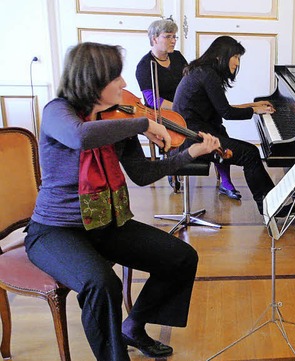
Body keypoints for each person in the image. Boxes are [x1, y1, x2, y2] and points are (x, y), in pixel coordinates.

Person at [24, 42, 220, 360]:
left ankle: (134, 326)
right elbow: (80, 136)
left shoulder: (116, 122)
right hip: (55, 230)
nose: (125, 84)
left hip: (104, 223)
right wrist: (144, 123)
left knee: (180, 257)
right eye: (116, 77)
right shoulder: (57, 112)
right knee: (102, 284)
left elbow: (141, 174)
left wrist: (189, 154)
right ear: (93, 80)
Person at [136, 19, 241, 199]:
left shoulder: (177, 57)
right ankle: (172, 163)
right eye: (168, 36)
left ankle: (225, 180)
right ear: (154, 39)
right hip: (164, 114)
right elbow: (152, 100)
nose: (173, 40)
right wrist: (181, 106)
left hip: (185, 109)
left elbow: (190, 82)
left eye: (174, 36)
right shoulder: (145, 66)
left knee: (216, 126)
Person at [173, 35, 278, 214]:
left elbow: (223, 108)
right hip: (192, 140)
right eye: (235, 57)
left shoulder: (202, 71)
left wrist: (253, 105)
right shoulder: (207, 75)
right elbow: (227, 113)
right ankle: (269, 207)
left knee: (248, 152)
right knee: (251, 154)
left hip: (191, 134)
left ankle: (272, 201)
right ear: (221, 56)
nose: (237, 63)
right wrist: (254, 111)